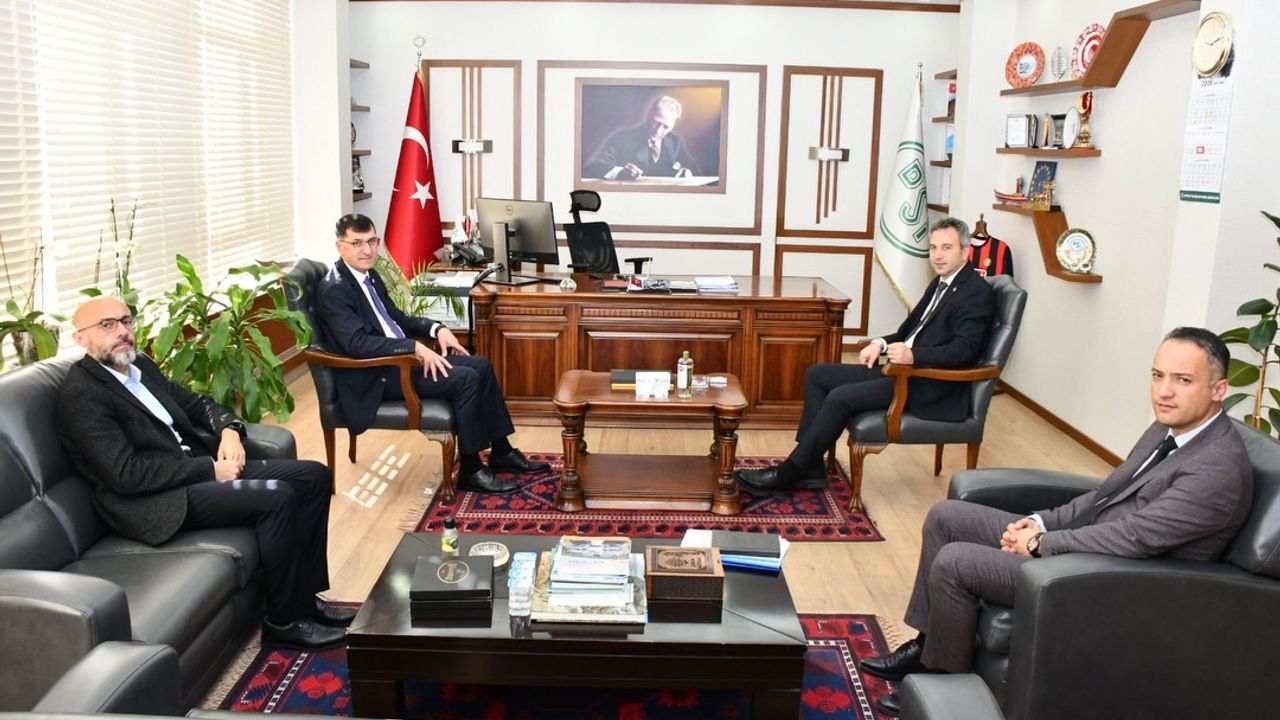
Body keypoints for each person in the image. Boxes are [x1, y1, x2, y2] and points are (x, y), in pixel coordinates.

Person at [861, 327, 1253, 716]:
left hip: (1113, 582)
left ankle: (942, 685)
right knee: (946, 517)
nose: (1164, 391)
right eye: (1157, 375)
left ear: (1218, 389)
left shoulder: (1216, 468)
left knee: (957, 562)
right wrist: (1038, 523)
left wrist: (1040, 545)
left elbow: (1135, 537)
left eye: (1183, 380)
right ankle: (928, 645)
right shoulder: (1168, 429)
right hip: (1089, 549)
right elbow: (1104, 497)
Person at [56, 296, 352, 650]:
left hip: (192, 472)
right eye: (107, 325)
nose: (122, 332)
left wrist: (230, 431)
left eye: (125, 321)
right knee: (276, 497)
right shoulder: (82, 395)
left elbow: (197, 404)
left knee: (314, 477)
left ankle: (305, 599)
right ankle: (284, 622)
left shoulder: (140, 366)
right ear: (81, 339)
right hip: (156, 500)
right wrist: (209, 469)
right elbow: (126, 474)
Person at [736, 217, 994, 495]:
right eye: (933, 248)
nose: (938, 255)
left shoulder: (975, 292)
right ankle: (811, 468)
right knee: (817, 374)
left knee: (840, 397)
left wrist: (913, 356)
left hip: (927, 384)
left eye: (946, 247)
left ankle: (789, 472)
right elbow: (907, 333)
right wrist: (879, 345)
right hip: (902, 371)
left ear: (965, 251)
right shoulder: (939, 283)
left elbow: (964, 350)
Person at [317, 213, 550, 494]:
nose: (367, 250)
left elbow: (398, 320)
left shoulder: (369, 276)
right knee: (466, 379)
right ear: (339, 246)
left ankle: (501, 451)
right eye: (357, 243)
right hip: (375, 375)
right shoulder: (334, 290)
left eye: (371, 241)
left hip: (398, 361)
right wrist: (412, 347)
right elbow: (357, 344)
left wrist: (436, 329)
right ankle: (471, 469)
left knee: (481, 365)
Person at [583, 95, 698, 180]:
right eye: (655, 122)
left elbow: (694, 171)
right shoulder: (622, 138)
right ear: (648, 115)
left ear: (674, 124)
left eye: (666, 127)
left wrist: (687, 172)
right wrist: (621, 172)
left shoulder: (675, 142)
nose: (658, 130)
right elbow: (594, 166)